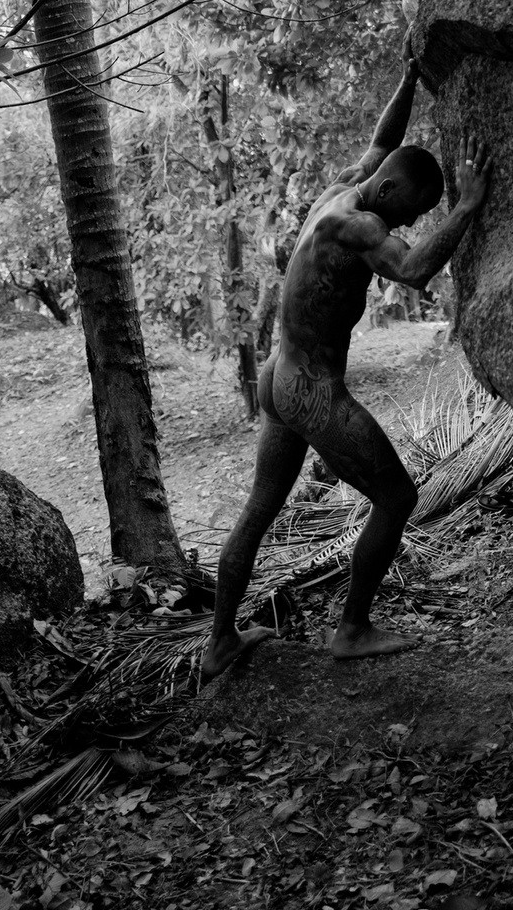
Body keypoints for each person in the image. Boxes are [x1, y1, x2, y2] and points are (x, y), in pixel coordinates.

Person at [201, 58, 491, 679]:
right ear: (387, 196)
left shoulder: (348, 185)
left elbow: (385, 141)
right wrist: (465, 210)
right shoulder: (359, 225)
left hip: (280, 377)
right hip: (309, 389)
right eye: (407, 215)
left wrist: (412, 77)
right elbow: (413, 271)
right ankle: (352, 629)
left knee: (259, 507)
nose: (406, 225)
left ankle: (219, 642)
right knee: (398, 495)